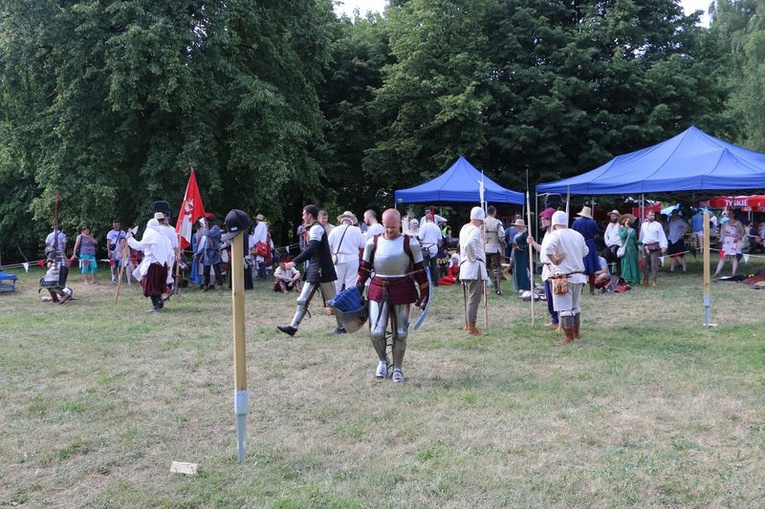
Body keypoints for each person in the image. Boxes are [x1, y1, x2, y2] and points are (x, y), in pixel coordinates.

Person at [355, 208, 429, 382]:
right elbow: (364, 268)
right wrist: (356, 289)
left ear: (399, 225)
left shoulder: (410, 243)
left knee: (401, 333)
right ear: (382, 224)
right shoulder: (373, 242)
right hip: (378, 288)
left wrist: (424, 292)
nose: (389, 230)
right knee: (375, 331)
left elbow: (419, 269)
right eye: (387, 227)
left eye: (393, 227)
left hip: (402, 287)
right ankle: (382, 360)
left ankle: (397, 368)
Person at [277, 204, 346, 336]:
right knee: (302, 299)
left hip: (323, 270)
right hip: (315, 268)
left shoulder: (316, 229)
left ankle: (342, 327)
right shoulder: (314, 228)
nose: (302, 216)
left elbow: (312, 248)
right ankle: (293, 327)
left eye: (304, 214)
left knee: (333, 301)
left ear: (309, 215)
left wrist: (294, 261)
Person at [544, 211, 588, 345]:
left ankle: (569, 337)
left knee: (565, 309)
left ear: (554, 222)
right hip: (578, 276)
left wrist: (555, 260)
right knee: (575, 307)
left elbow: (547, 249)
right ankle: (576, 333)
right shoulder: (578, 235)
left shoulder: (556, 235)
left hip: (564, 276)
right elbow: (585, 251)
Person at [127, 218, 172, 312]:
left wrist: (130, 239)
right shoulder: (162, 236)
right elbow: (169, 250)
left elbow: (139, 246)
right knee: (157, 285)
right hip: (162, 264)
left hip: (153, 265)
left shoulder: (152, 234)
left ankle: (156, 305)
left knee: (150, 285)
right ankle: (159, 302)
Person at [459, 207, 489, 337]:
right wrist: (472, 258)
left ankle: (468, 323)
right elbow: (469, 244)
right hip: (473, 266)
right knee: (474, 299)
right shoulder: (475, 230)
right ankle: (471, 326)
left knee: (471, 298)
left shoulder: (464, 228)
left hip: (467, 266)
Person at [528, 207, 558, 328]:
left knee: (555, 296)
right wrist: (533, 243)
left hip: (554, 267)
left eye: (545, 219)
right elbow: (543, 250)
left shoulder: (556, 234)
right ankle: (554, 319)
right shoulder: (547, 234)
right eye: (542, 219)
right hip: (546, 269)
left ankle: (558, 319)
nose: (542, 221)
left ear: (551, 219)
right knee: (549, 297)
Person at [328, 210, 365, 293]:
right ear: (351, 220)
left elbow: (329, 244)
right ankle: (347, 303)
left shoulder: (334, 230)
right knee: (350, 283)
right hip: (353, 259)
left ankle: (335, 302)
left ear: (342, 220)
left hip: (339, 258)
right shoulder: (356, 230)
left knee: (337, 283)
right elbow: (363, 244)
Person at [571, 205, 601, 295]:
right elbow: (597, 232)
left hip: (579, 245)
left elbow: (572, 233)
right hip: (590, 244)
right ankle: (591, 291)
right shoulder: (593, 223)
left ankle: (580, 290)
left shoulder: (576, 222)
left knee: (580, 267)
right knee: (591, 268)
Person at [638, 210, 668, 287]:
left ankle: (654, 281)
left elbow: (662, 235)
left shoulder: (658, 225)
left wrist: (664, 246)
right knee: (644, 265)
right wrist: (640, 246)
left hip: (655, 246)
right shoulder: (643, 225)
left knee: (654, 265)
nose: (652, 217)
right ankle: (646, 279)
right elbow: (641, 236)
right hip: (645, 246)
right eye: (650, 215)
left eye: (653, 215)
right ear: (647, 216)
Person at [714, 210, 746, 277]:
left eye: (731, 213)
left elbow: (743, 231)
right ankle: (717, 272)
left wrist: (739, 237)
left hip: (735, 241)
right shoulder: (725, 223)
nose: (730, 214)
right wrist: (724, 238)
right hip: (727, 241)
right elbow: (723, 232)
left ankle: (733, 273)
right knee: (723, 256)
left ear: (734, 214)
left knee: (735, 257)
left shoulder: (738, 222)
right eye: (729, 213)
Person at [196, 213, 223, 290]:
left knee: (217, 270)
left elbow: (208, 234)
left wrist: (206, 227)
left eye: (205, 221)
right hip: (207, 253)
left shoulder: (215, 228)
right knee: (206, 271)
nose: (204, 223)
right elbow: (206, 244)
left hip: (214, 252)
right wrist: (198, 253)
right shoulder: (208, 229)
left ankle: (220, 286)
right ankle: (205, 286)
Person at [484, 205, 506, 295]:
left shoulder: (483, 222)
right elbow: (501, 235)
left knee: (484, 269)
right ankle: (497, 289)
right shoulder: (497, 222)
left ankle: (483, 289)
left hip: (484, 248)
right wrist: (502, 241)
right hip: (495, 247)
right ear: (494, 212)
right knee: (495, 269)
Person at [418, 209, 442, 285]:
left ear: (426, 219)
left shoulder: (424, 226)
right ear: (432, 219)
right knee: (434, 265)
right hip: (434, 247)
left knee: (426, 266)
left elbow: (420, 237)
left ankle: (427, 281)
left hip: (425, 247)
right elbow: (440, 239)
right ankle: (436, 281)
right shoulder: (436, 227)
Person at [618, 214, 641, 286]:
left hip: (633, 249)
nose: (628, 221)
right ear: (623, 221)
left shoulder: (633, 230)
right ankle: (627, 280)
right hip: (625, 249)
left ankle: (635, 280)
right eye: (626, 220)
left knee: (633, 264)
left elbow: (635, 241)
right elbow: (622, 236)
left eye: (629, 221)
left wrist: (643, 241)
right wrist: (626, 227)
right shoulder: (620, 229)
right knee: (626, 265)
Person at [511, 218, 530, 293]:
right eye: (516, 226)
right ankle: (517, 286)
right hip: (516, 254)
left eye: (518, 226)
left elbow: (527, 245)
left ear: (522, 227)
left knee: (522, 270)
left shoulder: (525, 235)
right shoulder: (516, 235)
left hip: (522, 255)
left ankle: (523, 286)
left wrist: (519, 247)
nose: (516, 227)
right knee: (516, 269)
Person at [603, 210, 622, 276]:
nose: (612, 217)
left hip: (618, 245)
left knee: (618, 261)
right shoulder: (609, 225)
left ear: (617, 217)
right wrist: (607, 243)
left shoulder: (620, 225)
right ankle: (609, 274)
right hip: (610, 245)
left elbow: (622, 235)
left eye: (614, 216)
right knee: (608, 260)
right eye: (612, 216)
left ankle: (619, 275)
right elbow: (606, 235)